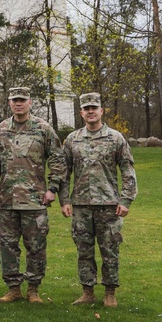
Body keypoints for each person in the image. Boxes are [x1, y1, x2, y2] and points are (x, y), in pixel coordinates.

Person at [0, 86, 67, 304]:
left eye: (22, 100)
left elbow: (58, 159)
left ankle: (33, 288)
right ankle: (13, 288)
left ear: (29, 102)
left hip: (35, 199)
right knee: (7, 245)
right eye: (15, 100)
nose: (18, 103)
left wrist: (53, 188)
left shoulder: (43, 128)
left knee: (36, 246)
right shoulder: (1, 129)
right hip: (6, 199)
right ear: (10, 103)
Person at [59, 92, 138, 308]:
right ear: (81, 112)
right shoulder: (73, 139)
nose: (91, 111)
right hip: (81, 205)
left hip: (109, 205)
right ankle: (87, 291)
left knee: (110, 250)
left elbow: (128, 170)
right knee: (83, 250)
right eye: (87, 108)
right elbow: (64, 173)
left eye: (94, 107)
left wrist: (126, 199)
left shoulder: (115, 138)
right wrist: (64, 200)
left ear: (101, 111)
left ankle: (110, 292)